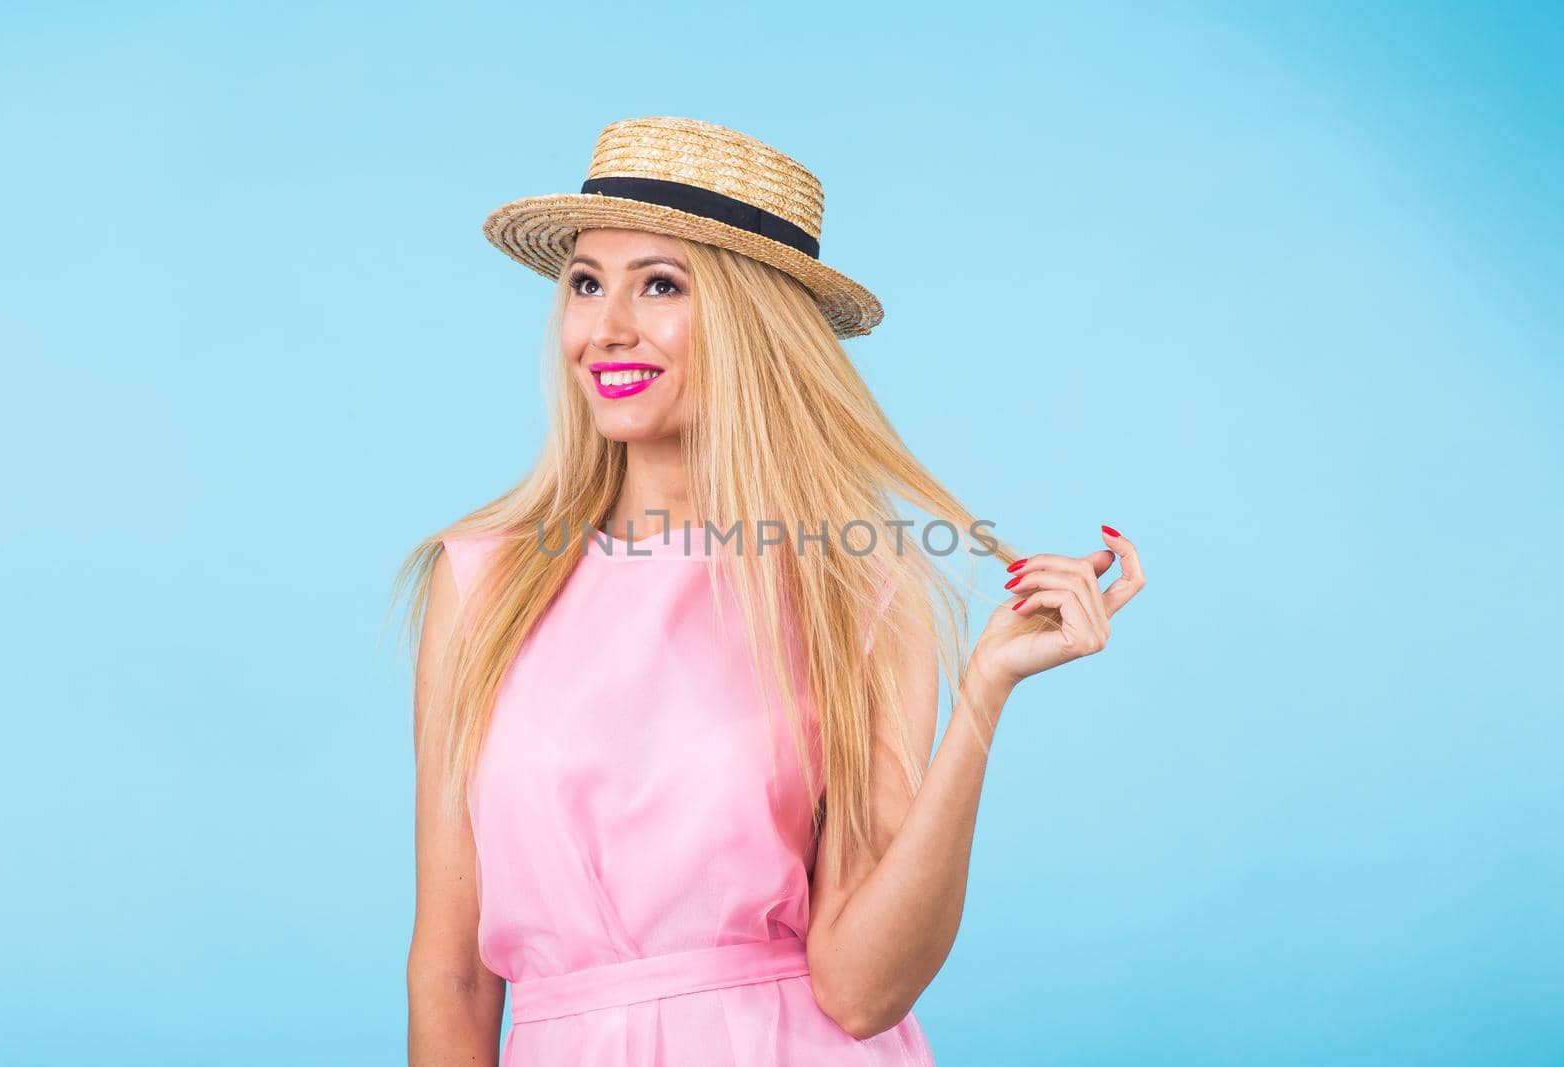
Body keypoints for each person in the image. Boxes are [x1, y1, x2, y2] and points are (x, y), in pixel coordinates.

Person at [398, 115, 1146, 1065]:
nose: (605, 327)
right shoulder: (484, 583)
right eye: (586, 283)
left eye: (660, 284)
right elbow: (451, 970)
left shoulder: (858, 594)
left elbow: (863, 986)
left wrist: (983, 698)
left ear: (753, 324)